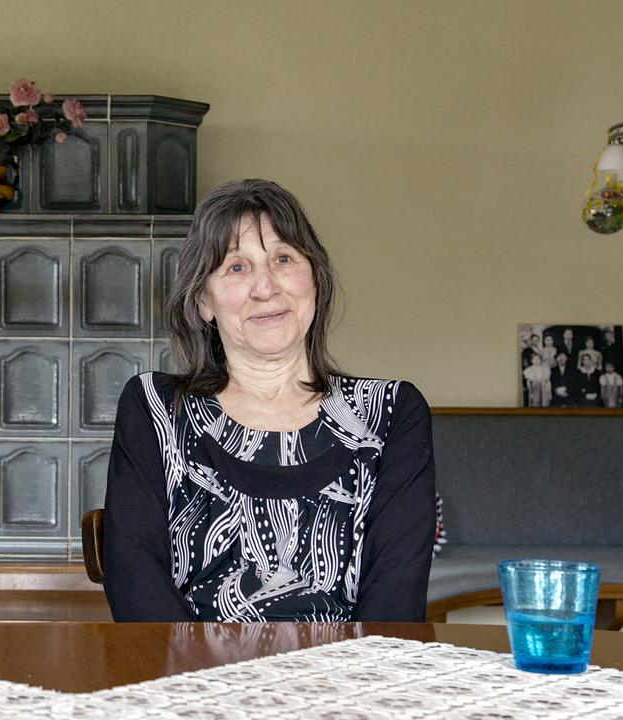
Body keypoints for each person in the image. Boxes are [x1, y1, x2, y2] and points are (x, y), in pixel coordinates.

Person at [103, 179, 435, 623]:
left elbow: (397, 596)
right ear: (204, 300)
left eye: (283, 259)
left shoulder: (390, 412)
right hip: (193, 680)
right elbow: (134, 576)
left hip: (349, 682)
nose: (265, 287)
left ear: (313, 276)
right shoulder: (155, 408)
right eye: (236, 268)